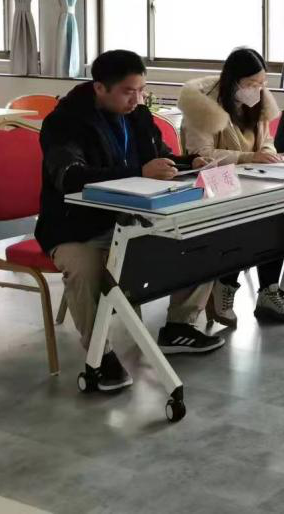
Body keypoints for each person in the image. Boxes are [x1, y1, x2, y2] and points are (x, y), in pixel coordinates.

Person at [36, 50, 224, 393]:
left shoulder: (137, 115)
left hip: (134, 217)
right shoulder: (64, 123)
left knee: (198, 236)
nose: (137, 99)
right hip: (76, 226)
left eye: (141, 90)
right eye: (128, 91)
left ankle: (179, 326)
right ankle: (100, 355)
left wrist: (189, 162)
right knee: (85, 268)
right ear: (99, 88)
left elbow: (159, 156)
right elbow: (72, 177)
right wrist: (139, 171)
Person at [177, 47, 284, 327]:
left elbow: (267, 141)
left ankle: (269, 291)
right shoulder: (202, 107)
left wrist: (266, 153)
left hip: (254, 180)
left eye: (261, 83)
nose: (257, 90)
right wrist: (249, 157)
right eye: (251, 84)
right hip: (216, 187)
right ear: (233, 81)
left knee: (280, 216)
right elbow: (201, 156)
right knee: (244, 223)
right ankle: (226, 285)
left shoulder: (258, 103)